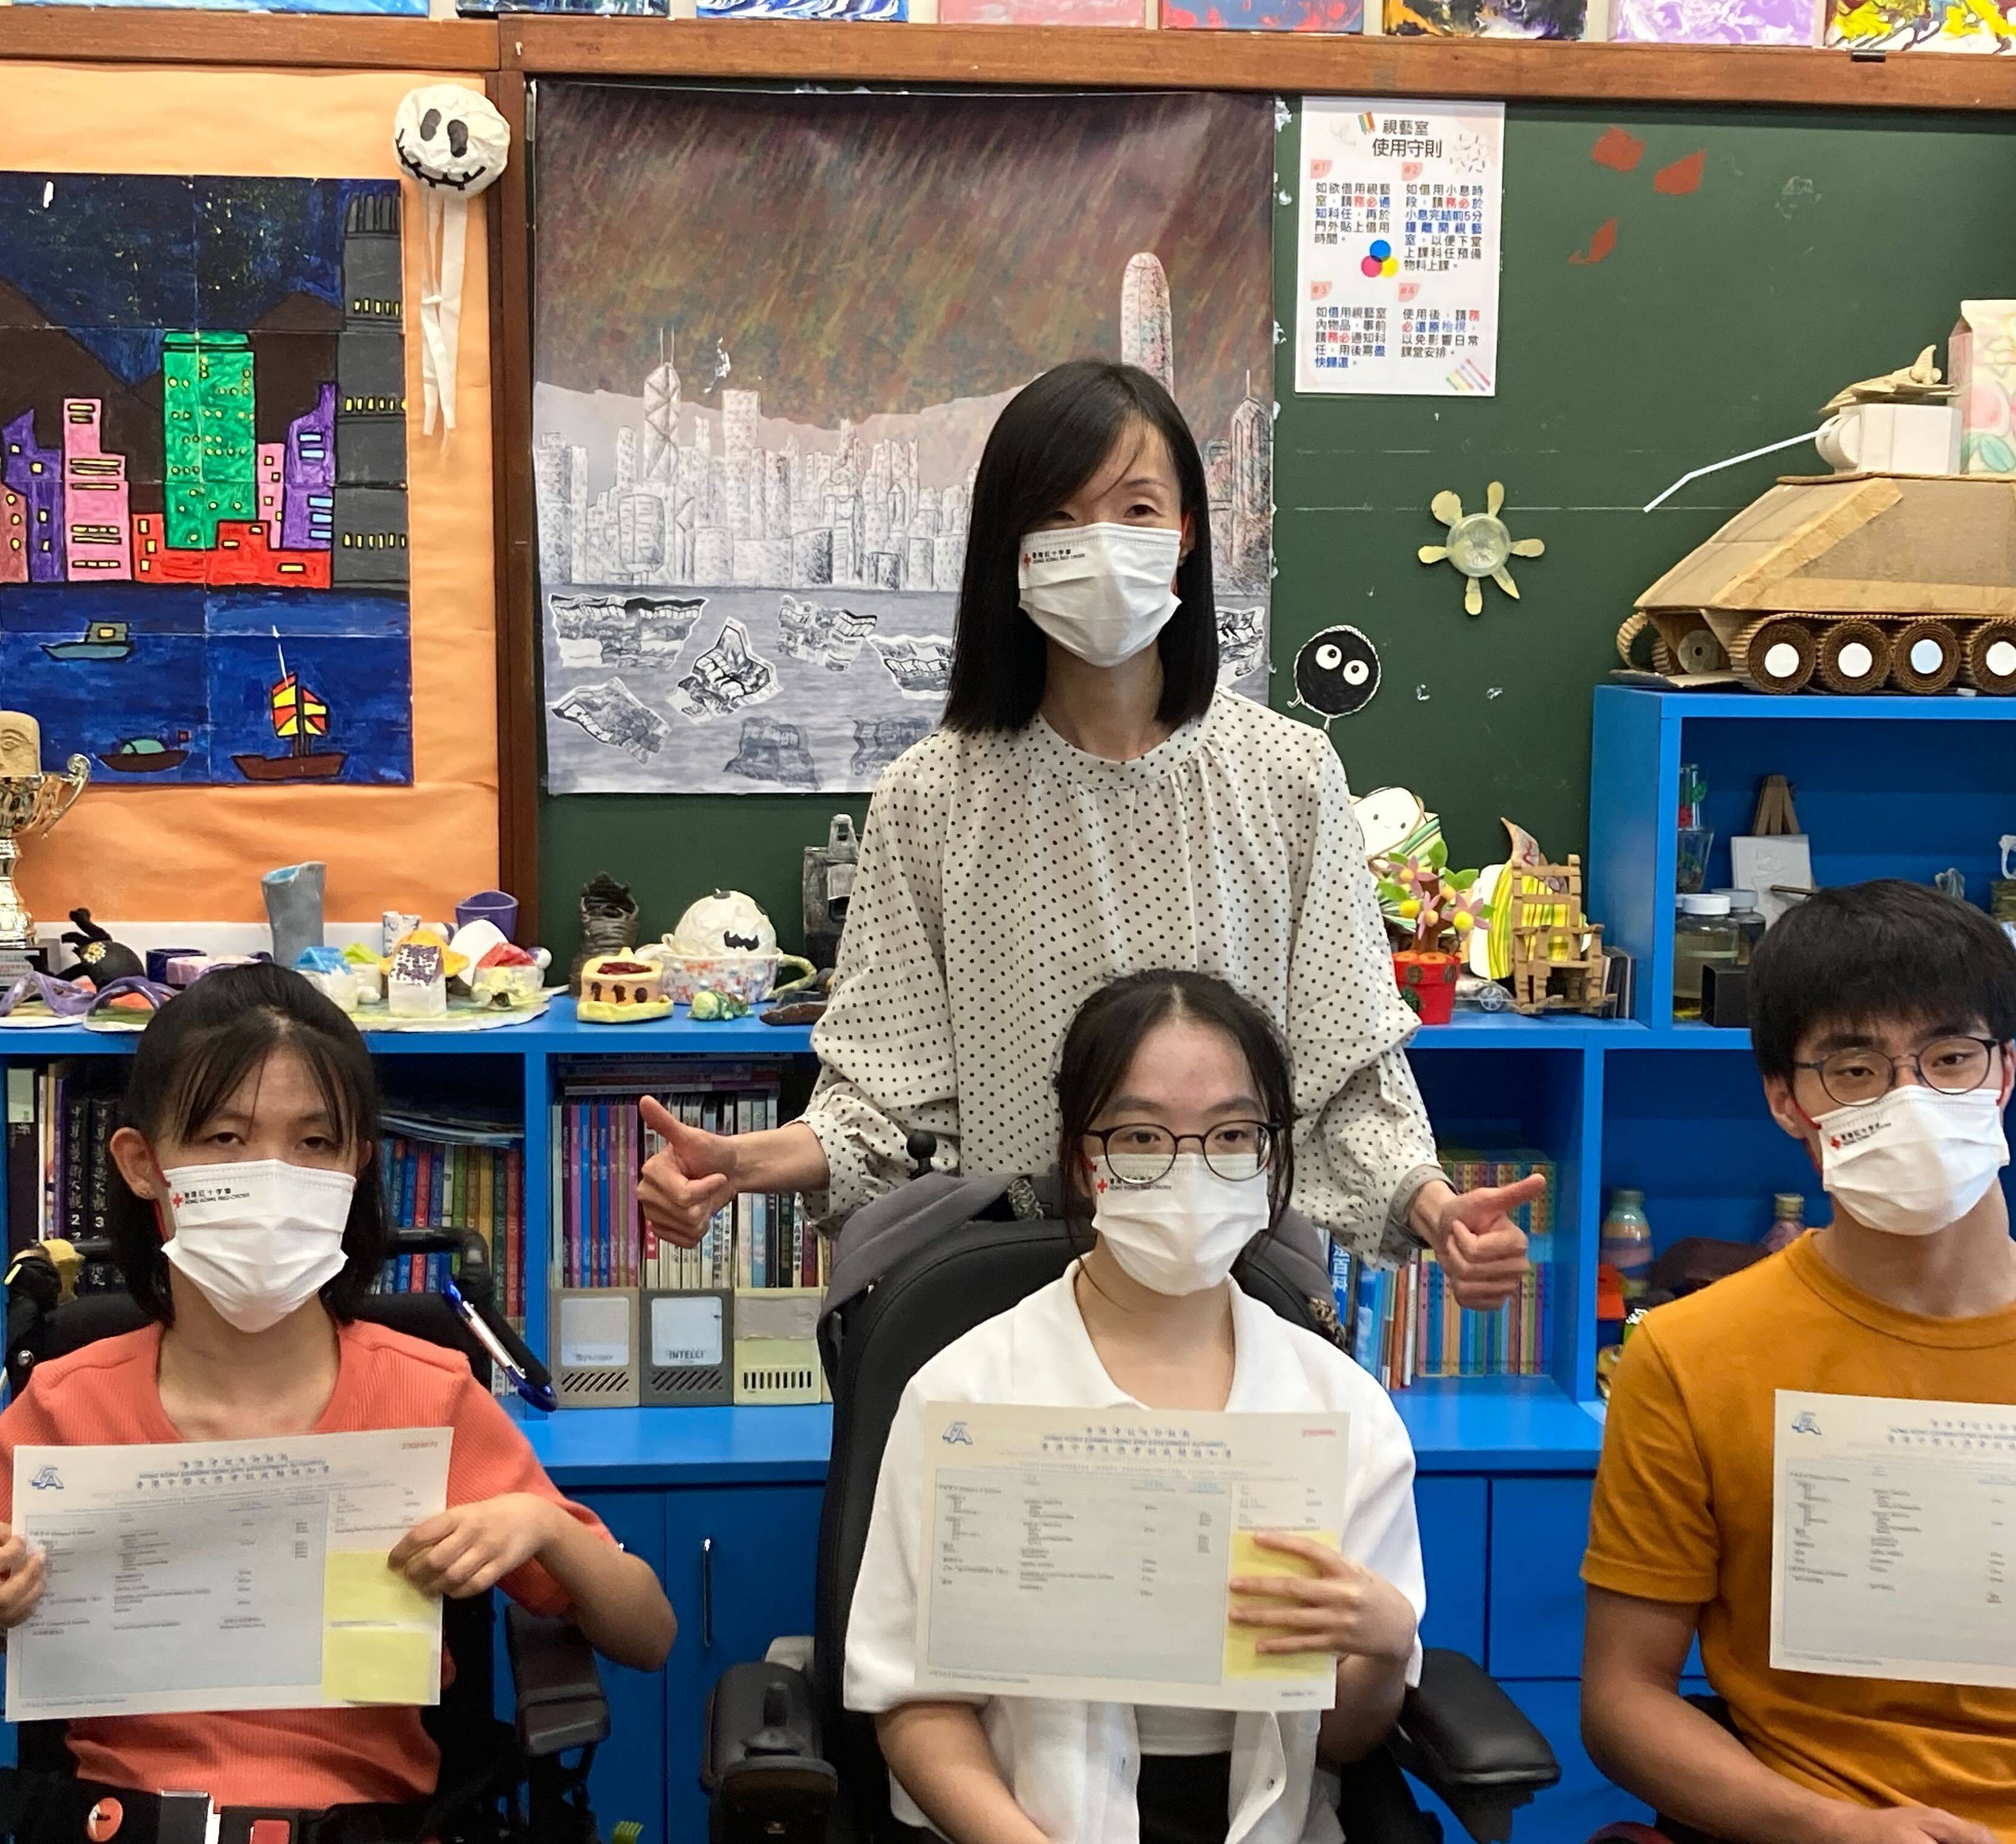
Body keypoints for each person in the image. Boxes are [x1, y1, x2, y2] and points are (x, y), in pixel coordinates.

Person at [637, 359, 1534, 1306]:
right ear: (1009, 549)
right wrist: (742, 1163)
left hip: (1230, 1277)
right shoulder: (933, 796)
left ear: (1188, 535)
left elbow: (1345, 1071)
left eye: (1138, 510)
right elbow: (887, 1107)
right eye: (1059, 517)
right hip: (1009, 1286)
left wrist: (1437, 1210)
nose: (1101, 544)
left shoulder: (1288, 779)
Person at [0, 963, 674, 1836]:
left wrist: (545, 1532)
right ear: (143, 1164)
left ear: (356, 1165)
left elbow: (646, 1634)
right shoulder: (67, 1408)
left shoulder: (427, 1396)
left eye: (314, 1144)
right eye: (226, 1139)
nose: (274, 1178)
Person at [1580, 882, 2016, 1844]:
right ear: (1787, 1100)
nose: (1912, 1100)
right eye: (1854, 1069)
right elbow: (1622, 1702)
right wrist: (1823, 1828)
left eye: (1949, 1059)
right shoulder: (1690, 1359)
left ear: (2006, 1074)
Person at [843, 970, 1426, 1844]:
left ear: (1271, 1153)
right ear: (1085, 1155)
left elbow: (1342, 1741)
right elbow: (915, 1707)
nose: (1190, 1171)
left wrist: (1381, 1649)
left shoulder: (1338, 1407)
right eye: (1143, 1137)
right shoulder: (967, 1394)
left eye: (1232, 1134)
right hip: (1022, 1822)